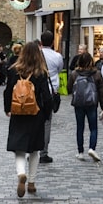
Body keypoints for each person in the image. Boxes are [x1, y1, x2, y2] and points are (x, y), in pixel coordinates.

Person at [4, 41, 54, 197]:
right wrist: (46, 114)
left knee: (18, 148)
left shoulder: (14, 71)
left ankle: (21, 173)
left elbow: (7, 92)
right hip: (35, 114)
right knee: (34, 150)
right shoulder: (41, 73)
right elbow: (46, 96)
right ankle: (31, 182)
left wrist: (8, 109)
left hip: (18, 113)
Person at [68, 51, 103, 163]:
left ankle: (80, 152)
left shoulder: (74, 74)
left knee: (80, 127)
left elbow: (68, 88)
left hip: (79, 103)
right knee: (93, 127)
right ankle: (92, 148)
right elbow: (102, 91)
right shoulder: (96, 74)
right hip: (91, 103)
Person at [39, 31, 64, 164]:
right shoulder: (57, 56)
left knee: (35, 121)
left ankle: (33, 150)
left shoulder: (37, 55)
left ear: (41, 42)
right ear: (53, 42)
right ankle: (44, 152)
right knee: (47, 122)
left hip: (37, 92)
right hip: (50, 91)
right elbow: (59, 70)